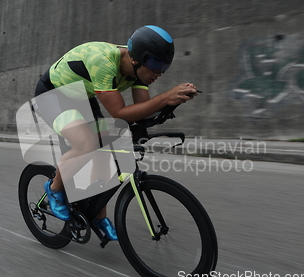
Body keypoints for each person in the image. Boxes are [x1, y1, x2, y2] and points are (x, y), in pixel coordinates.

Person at [34, 25, 198, 241]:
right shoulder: (103, 62)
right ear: (136, 59)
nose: (158, 73)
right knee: (86, 144)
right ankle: (54, 188)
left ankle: (97, 215)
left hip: (84, 95)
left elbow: (141, 111)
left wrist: (172, 103)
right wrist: (166, 97)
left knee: (105, 155)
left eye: (163, 66)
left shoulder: (141, 72)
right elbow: (119, 113)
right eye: (155, 65)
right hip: (53, 94)